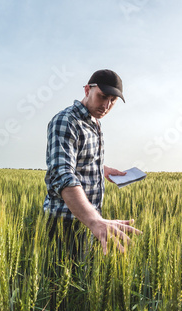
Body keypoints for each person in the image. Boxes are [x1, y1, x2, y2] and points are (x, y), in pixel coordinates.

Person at [43, 69, 141, 256]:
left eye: (113, 101)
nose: (106, 105)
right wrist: (94, 221)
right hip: (66, 224)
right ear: (87, 90)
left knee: (83, 279)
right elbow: (62, 174)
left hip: (90, 220)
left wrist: (100, 169)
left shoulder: (94, 122)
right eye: (102, 96)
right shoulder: (67, 121)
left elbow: (76, 158)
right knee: (64, 282)